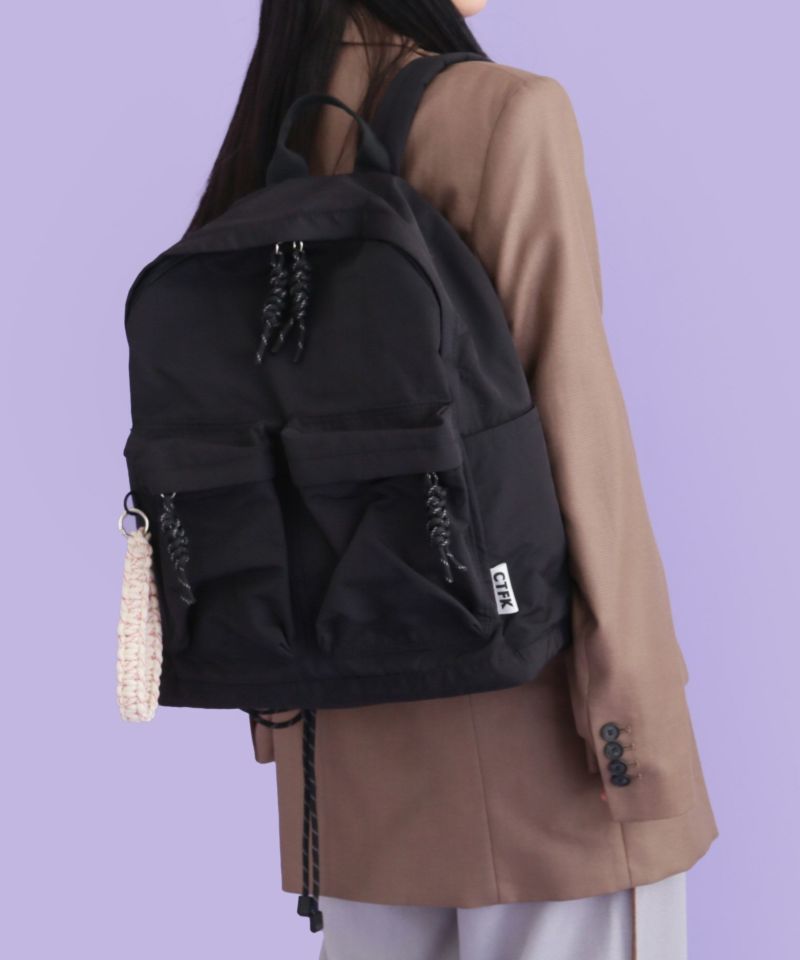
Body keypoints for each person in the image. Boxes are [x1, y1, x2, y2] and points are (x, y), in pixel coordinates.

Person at [185, 2, 719, 958]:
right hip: (540, 749)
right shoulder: (507, 112)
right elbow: (578, 422)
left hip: (342, 759)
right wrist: (634, 723)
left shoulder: (273, 128)